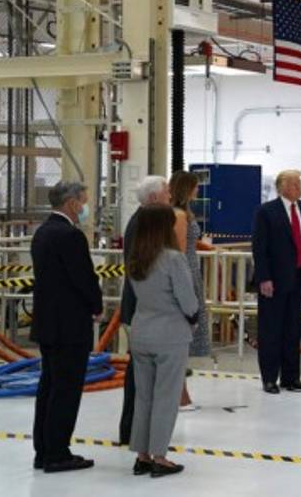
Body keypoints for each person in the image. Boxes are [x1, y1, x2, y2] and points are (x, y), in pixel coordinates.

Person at [30, 181, 103, 473]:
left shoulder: (43, 232)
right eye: (83, 202)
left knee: (49, 386)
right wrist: (96, 305)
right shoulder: (70, 236)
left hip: (48, 323)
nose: (84, 208)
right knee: (66, 391)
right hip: (70, 326)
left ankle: (44, 450)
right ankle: (58, 453)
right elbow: (83, 277)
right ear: (72, 203)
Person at [127, 204, 200, 478]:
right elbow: (188, 301)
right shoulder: (173, 259)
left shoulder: (136, 258)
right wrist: (193, 319)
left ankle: (142, 455)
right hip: (170, 336)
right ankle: (160, 456)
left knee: (143, 397)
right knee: (166, 398)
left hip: (141, 333)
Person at [251, 170, 301, 393]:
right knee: (271, 330)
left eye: (299, 183)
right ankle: (269, 378)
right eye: (293, 184)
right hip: (274, 280)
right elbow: (260, 248)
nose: (298, 187)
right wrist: (264, 277)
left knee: (293, 330)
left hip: (299, 278)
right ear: (281, 187)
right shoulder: (267, 211)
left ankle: (291, 377)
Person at [119, 175, 170, 445]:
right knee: (139, 374)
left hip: (147, 309)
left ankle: (139, 431)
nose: (170, 197)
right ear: (153, 198)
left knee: (144, 374)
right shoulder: (142, 225)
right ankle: (133, 431)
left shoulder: (144, 222)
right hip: (143, 308)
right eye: (166, 192)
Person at [170, 170, 210, 411]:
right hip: (186, 276)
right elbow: (179, 252)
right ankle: (179, 395)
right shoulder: (179, 215)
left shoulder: (185, 213)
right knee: (181, 337)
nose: (198, 190)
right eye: (195, 186)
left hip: (191, 274)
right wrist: (185, 286)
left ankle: (180, 394)